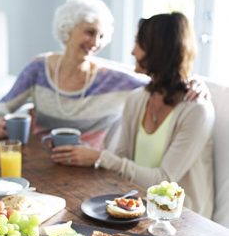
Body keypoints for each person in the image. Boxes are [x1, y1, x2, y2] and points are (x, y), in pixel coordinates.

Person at [51, 12, 215, 219]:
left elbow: (164, 180)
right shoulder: (138, 99)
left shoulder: (196, 110)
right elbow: (121, 160)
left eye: (139, 43)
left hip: (183, 219)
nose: (132, 51)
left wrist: (101, 157)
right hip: (138, 208)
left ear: (158, 49)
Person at [0, 0, 205, 150]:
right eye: (90, 33)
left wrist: (194, 83)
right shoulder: (39, 68)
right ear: (68, 28)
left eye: (102, 36)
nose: (96, 43)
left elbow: (161, 79)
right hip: (38, 162)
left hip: (89, 172)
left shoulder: (113, 79)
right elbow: (2, 106)